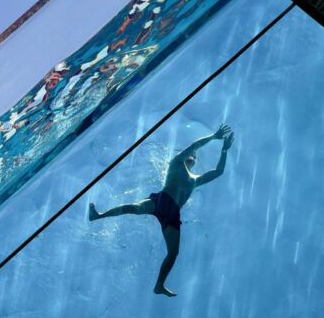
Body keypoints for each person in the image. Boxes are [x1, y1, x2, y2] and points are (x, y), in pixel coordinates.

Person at [89, 124, 235, 297]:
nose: (191, 157)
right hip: (160, 200)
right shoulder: (175, 164)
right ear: (184, 156)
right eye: (190, 155)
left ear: (194, 161)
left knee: (174, 253)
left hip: (173, 214)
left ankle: (159, 285)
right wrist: (213, 136)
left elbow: (218, 171)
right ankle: (98, 215)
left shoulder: (195, 180)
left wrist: (224, 151)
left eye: (194, 158)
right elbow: (194, 146)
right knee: (134, 208)